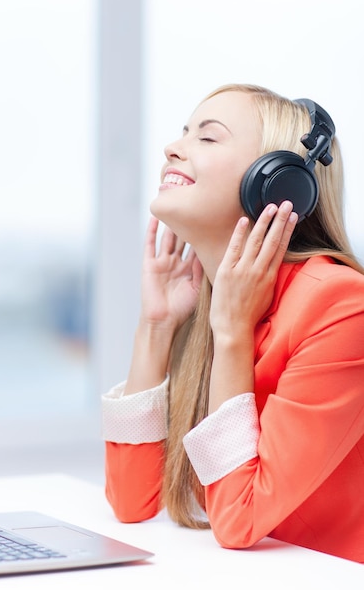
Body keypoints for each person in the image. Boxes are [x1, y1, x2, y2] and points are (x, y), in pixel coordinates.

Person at [101, 83, 364, 563]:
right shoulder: (211, 302)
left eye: (208, 137)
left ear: (275, 183)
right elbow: (131, 500)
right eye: (184, 132)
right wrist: (156, 326)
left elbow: (239, 520)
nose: (172, 148)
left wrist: (233, 335)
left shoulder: (339, 305)